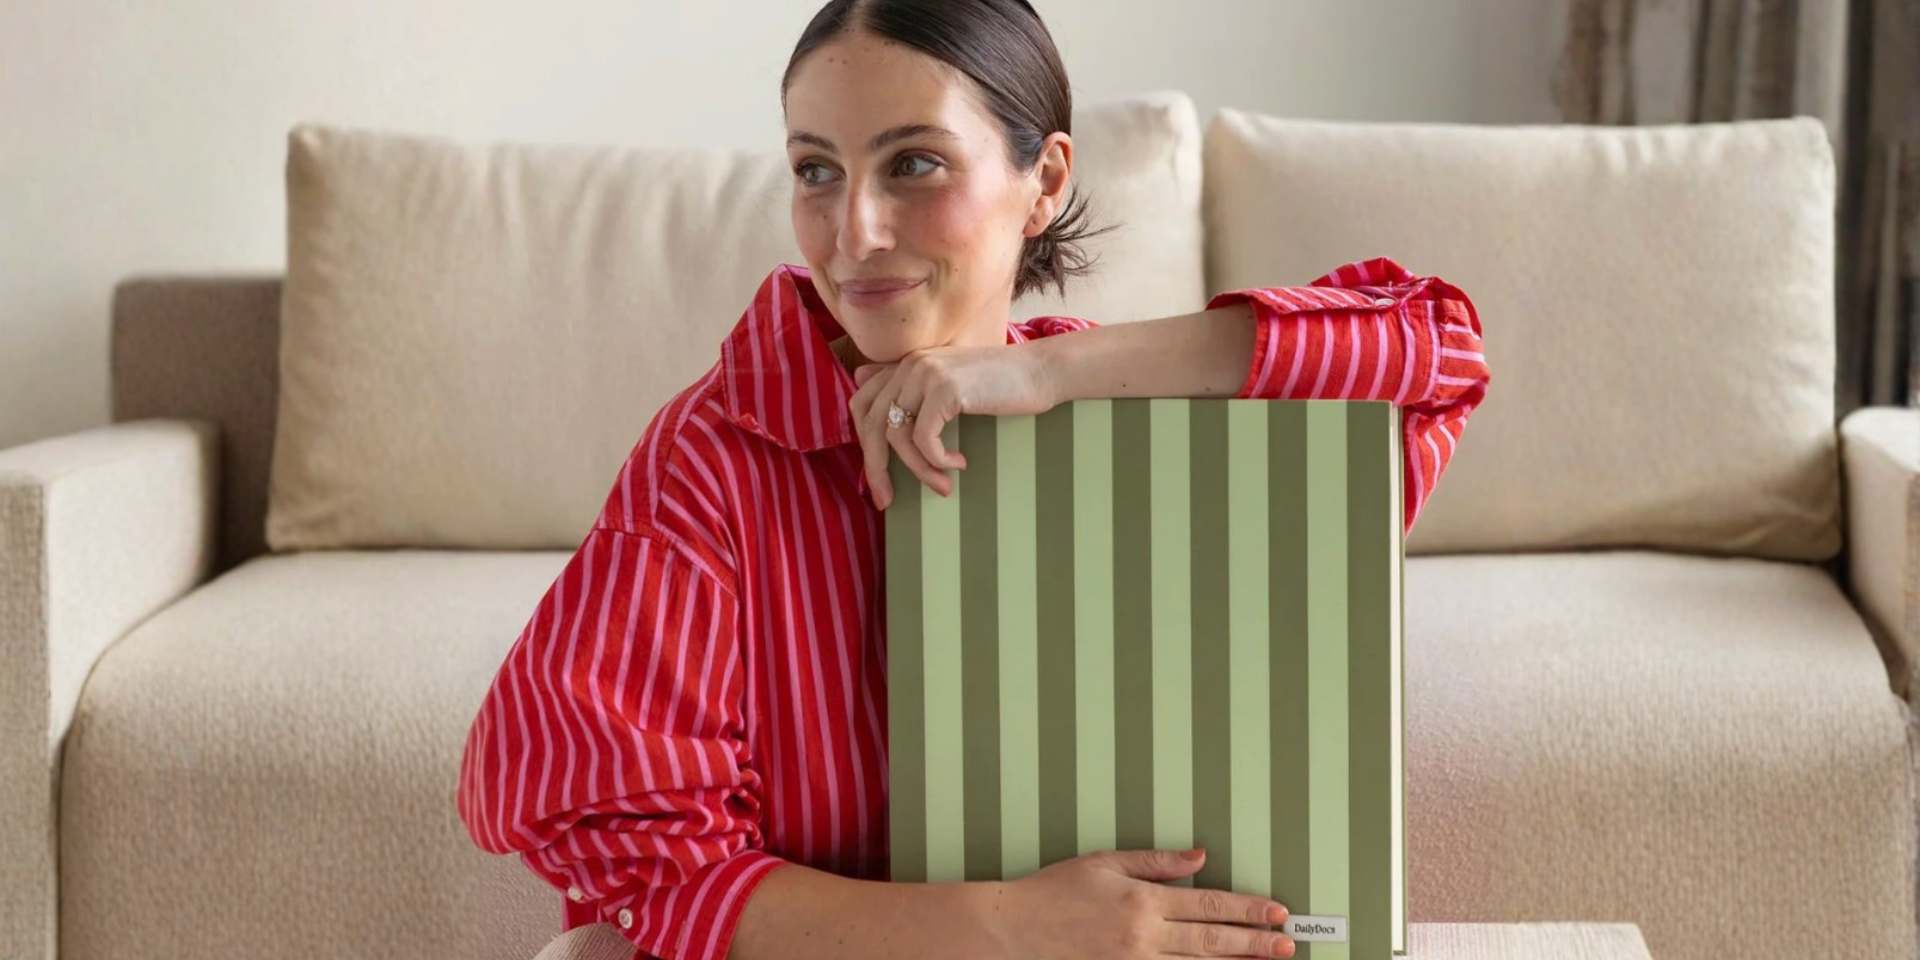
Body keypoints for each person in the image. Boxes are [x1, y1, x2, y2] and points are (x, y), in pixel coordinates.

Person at [456, 1, 1491, 958]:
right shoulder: (712, 462)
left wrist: (1048, 369)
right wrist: (1015, 925)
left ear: (1043, 182)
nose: (853, 230)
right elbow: (647, 871)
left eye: (912, 164)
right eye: (816, 170)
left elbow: (1436, 354)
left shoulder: (1120, 420)